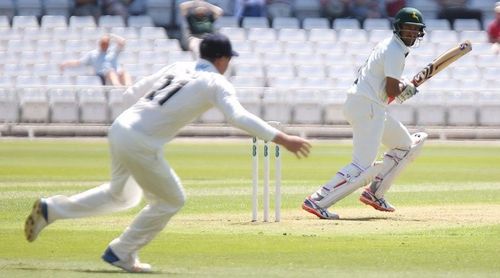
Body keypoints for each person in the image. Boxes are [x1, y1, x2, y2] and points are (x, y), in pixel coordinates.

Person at [24, 33, 312, 273]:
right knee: (172, 200)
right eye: (228, 59)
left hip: (120, 128)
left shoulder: (177, 67)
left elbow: (129, 94)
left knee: (120, 195)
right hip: (140, 141)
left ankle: (51, 210)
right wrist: (282, 138)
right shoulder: (217, 82)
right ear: (222, 60)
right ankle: (121, 251)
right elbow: (237, 117)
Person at [302, 7, 428, 220]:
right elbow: (391, 91)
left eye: (415, 30)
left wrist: (403, 88)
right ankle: (317, 200)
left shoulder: (390, 46)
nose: (411, 33)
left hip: (368, 105)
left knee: (406, 145)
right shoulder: (395, 51)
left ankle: (375, 193)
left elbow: (388, 89)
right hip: (368, 106)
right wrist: (406, 91)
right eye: (408, 28)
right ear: (398, 28)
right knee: (362, 166)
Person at [59, 33, 132, 87]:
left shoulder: (113, 52)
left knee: (124, 72)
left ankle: (129, 88)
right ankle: (118, 88)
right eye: (103, 43)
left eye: (106, 43)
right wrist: (65, 63)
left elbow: (122, 42)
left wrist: (111, 35)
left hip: (117, 74)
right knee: (111, 72)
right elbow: (79, 62)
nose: (104, 45)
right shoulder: (93, 54)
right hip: (102, 76)